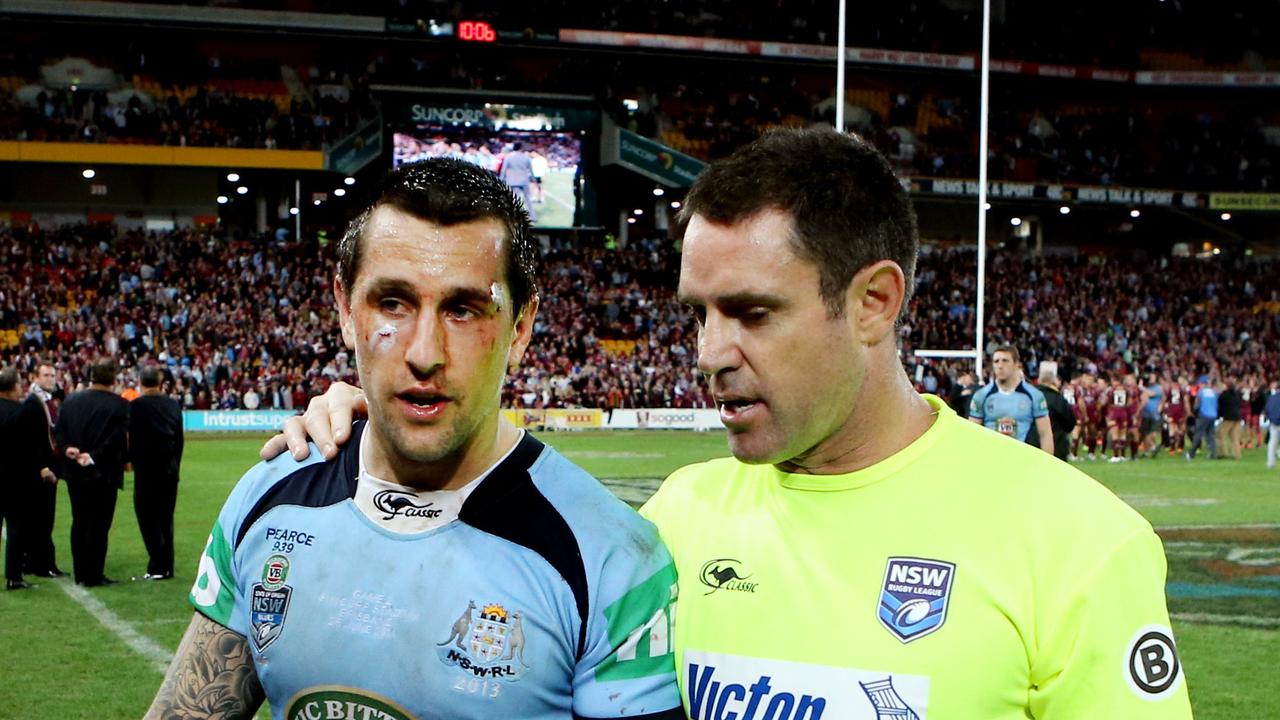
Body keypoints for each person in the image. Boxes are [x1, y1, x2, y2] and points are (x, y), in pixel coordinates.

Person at [277, 128, 1191, 718]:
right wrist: (375, 434)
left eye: (751, 313)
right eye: (697, 313)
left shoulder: (1075, 542)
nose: (710, 351)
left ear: (873, 303)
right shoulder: (671, 523)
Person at [146, 159, 682, 720]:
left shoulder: (612, 559)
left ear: (521, 328)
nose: (424, 352)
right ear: (346, 311)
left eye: (463, 309)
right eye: (393, 303)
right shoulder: (267, 500)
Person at [55, 358, 130, 587]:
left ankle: (81, 573)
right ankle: (94, 574)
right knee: (99, 524)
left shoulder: (71, 401)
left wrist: (69, 448)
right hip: (104, 473)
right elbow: (117, 439)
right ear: (113, 377)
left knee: (79, 521)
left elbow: (59, 431)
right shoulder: (119, 405)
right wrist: (94, 456)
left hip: (75, 471)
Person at [129, 366, 184, 580]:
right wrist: (175, 466)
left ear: (140, 383)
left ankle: (158, 565)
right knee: (165, 518)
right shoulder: (172, 405)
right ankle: (165, 565)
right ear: (161, 383)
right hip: (169, 470)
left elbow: (131, 440)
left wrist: (130, 461)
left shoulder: (134, 407)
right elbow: (179, 441)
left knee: (147, 518)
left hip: (145, 471)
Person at [0, 367, 43, 590]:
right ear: (14, 387)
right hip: (14, 479)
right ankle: (14, 576)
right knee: (16, 527)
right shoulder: (21, 412)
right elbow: (29, 449)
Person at [968, 346, 1054, 455]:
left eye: (1005, 361)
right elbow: (972, 434)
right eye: (996, 361)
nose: (1000, 366)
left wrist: (1047, 466)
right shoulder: (981, 396)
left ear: (1016, 364)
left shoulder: (1034, 396)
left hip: (1022, 462)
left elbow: (1045, 434)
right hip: (990, 461)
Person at [22, 362, 64, 578]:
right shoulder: (34, 403)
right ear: (34, 376)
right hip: (42, 470)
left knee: (41, 517)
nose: (50, 379)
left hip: (47, 466)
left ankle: (34, 561)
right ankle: (42, 563)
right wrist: (43, 466)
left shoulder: (45, 401)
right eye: (46, 375)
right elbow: (31, 440)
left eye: (52, 375)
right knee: (42, 518)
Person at [1034, 366, 1076, 462]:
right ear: (1053, 381)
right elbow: (1070, 423)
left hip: (1032, 446)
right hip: (1057, 445)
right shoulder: (1058, 399)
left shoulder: (1031, 397)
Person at [499, 141, 536, 223]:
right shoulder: (526, 157)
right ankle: (532, 216)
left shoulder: (508, 157)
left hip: (512, 181)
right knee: (528, 199)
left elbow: (503, 171)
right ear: (520, 147)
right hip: (524, 181)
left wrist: (501, 180)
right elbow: (531, 170)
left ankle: (514, 216)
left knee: (514, 200)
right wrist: (534, 180)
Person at [1187, 376, 1219, 460]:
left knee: (1198, 434)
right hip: (1213, 415)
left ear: (1202, 383)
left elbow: (1196, 405)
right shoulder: (1214, 392)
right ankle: (1213, 454)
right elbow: (1216, 404)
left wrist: (1194, 411)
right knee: (1210, 435)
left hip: (1204, 415)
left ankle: (1191, 454)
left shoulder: (1201, 392)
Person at [1138, 372, 1165, 459]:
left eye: (1153, 377)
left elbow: (1150, 394)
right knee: (1144, 434)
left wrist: (1141, 387)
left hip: (1155, 415)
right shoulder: (1147, 387)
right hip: (1145, 414)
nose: (1150, 378)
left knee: (1151, 434)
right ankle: (1146, 452)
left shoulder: (1158, 388)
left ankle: (1153, 448)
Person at [1217, 377, 1243, 460]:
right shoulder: (1237, 394)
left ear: (1226, 386)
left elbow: (1220, 405)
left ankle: (1223, 453)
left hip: (1228, 417)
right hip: (1238, 417)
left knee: (1220, 435)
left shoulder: (1224, 395)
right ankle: (1237, 454)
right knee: (1234, 437)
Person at [1265, 380, 1280, 469]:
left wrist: (1271, 419)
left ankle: (1270, 463)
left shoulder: (1271, 397)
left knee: (1272, 443)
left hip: (1273, 423)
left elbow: (1267, 409)